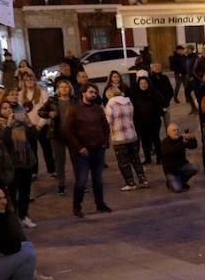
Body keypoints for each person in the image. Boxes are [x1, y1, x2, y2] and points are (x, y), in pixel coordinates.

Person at [62, 85, 112, 217]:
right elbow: (67, 131)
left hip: (97, 149)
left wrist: (104, 143)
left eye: (95, 92)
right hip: (82, 152)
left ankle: (100, 204)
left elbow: (105, 127)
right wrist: (79, 147)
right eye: (91, 92)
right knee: (82, 180)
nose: (93, 94)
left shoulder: (98, 110)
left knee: (98, 179)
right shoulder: (74, 110)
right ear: (83, 93)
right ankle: (77, 207)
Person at [1, 99, 39, 229]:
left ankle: (23, 216)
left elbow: (34, 138)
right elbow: (2, 142)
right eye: (4, 108)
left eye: (10, 109)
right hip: (10, 165)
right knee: (11, 193)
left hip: (25, 163)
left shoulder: (21, 124)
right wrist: (8, 126)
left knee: (25, 192)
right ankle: (13, 218)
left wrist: (28, 124)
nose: (8, 111)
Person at [104, 87, 148, 191]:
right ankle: (143, 179)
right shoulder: (128, 102)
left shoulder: (110, 104)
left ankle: (130, 182)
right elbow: (131, 116)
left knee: (123, 162)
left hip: (119, 137)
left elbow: (108, 121)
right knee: (135, 159)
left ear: (109, 95)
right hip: (131, 135)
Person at [37, 80, 76, 197]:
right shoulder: (52, 100)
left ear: (70, 89)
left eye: (66, 87)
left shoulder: (74, 100)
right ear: (58, 89)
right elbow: (41, 111)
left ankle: (80, 183)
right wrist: (49, 114)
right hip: (57, 134)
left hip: (73, 134)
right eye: (62, 87)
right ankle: (61, 185)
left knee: (76, 160)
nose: (64, 89)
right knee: (59, 161)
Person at [129, 74, 163, 166]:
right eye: (141, 83)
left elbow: (160, 105)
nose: (143, 85)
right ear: (138, 84)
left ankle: (159, 157)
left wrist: (158, 113)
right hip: (141, 122)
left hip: (154, 121)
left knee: (155, 139)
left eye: (145, 83)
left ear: (148, 83)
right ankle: (147, 158)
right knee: (145, 141)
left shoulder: (154, 93)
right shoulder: (135, 96)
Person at [159, 123, 200, 192]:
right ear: (168, 133)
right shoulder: (165, 143)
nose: (176, 132)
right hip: (171, 171)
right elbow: (173, 150)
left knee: (194, 168)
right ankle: (171, 182)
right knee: (177, 189)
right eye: (174, 130)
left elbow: (193, 146)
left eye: (177, 130)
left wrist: (192, 138)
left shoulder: (180, 139)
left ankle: (181, 181)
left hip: (182, 166)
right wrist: (184, 142)